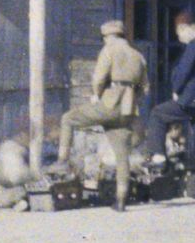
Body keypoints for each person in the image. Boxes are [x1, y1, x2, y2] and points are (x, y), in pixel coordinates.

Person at [54, 18, 148, 212]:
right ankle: (121, 200)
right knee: (122, 154)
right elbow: (145, 87)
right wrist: (131, 99)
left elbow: (98, 79)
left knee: (68, 119)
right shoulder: (138, 55)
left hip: (108, 104)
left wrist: (97, 95)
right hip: (127, 110)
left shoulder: (109, 50)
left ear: (108, 36)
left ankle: (61, 162)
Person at [145, 13, 195, 200]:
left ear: (185, 29)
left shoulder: (194, 45)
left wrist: (176, 90)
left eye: (179, 34)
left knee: (158, 114)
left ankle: (158, 155)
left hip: (192, 101)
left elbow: (183, 71)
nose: (180, 39)